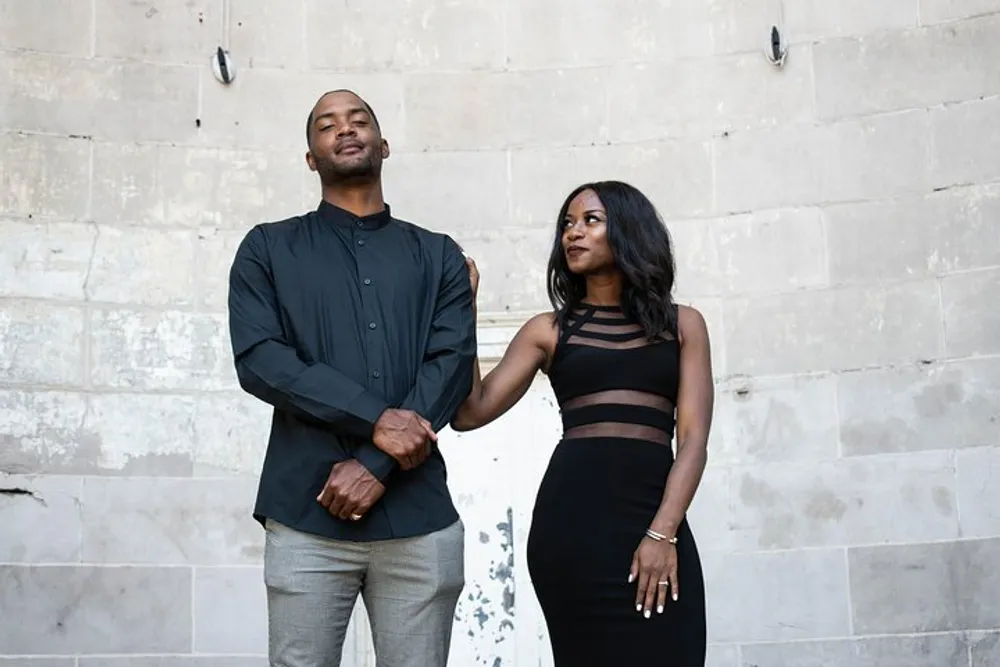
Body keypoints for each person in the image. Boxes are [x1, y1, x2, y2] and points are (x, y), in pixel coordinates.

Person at [227, 89, 477, 667]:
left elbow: (450, 363)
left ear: (383, 145)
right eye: (326, 125)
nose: (345, 129)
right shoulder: (266, 248)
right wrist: (379, 421)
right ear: (311, 157)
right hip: (305, 518)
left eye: (359, 119)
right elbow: (262, 359)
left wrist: (375, 463)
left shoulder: (440, 256)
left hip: (420, 523)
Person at [451, 181, 714, 665]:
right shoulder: (547, 330)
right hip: (571, 528)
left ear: (629, 231)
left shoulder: (684, 325)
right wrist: (463, 312)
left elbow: (694, 439)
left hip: (656, 520)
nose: (573, 233)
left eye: (590, 221)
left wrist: (663, 533)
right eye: (567, 224)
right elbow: (471, 411)